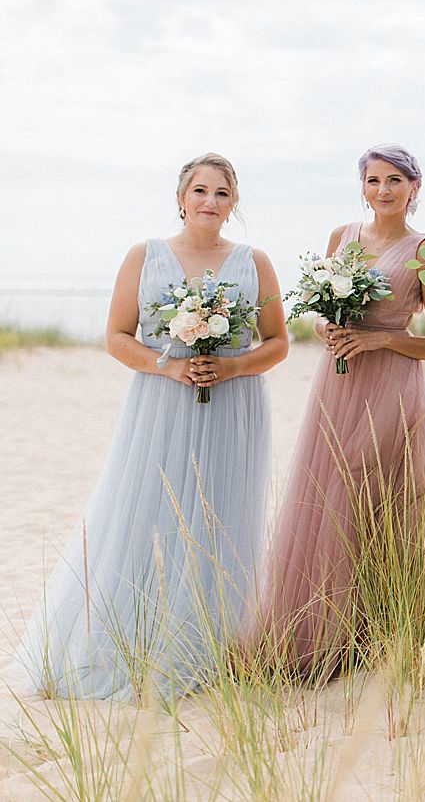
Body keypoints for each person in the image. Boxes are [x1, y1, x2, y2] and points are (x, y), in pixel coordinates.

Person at [17, 153, 287, 700]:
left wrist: (231, 366)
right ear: (181, 197)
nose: (210, 201)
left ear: (234, 204)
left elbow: (279, 342)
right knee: (149, 515)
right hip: (161, 403)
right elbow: (117, 337)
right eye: (200, 190)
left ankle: (210, 650)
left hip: (234, 406)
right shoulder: (146, 256)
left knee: (222, 518)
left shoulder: (254, 262)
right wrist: (172, 365)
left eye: (222, 193)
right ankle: (138, 641)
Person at [248, 144, 425, 680]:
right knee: (327, 495)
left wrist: (379, 341)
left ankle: (376, 635)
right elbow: (317, 319)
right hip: (336, 385)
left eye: (395, 181)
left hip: (393, 387)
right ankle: (319, 630)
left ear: (415, 187)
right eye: (373, 180)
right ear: (362, 185)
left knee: (380, 500)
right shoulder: (342, 237)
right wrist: (329, 330)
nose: (383, 191)